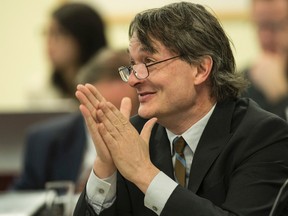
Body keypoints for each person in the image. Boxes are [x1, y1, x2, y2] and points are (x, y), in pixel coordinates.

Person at [73, 2, 288, 216]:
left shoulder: (263, 136)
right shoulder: (133, 134)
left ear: (200, 68)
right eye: (132, 65)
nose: (132, 80)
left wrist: (144, 173)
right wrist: (104, 166)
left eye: (148, 62)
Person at [11, 48, 138, 191]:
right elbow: (19, 200)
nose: (112, 121)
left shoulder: (153, 142)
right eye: (101, 112)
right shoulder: (44, 141)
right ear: (81, 102)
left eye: (122, 112)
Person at [37, 2, 107, 102]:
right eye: (46, 33)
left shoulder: (110, 86)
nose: (49, 42)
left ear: (83, 37)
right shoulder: (40, 90)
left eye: (58, 33)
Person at [243, 0, 288, 119]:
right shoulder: (241, 84)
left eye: (276, 26)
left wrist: (281, 97)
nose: (266, 38)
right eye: (261, 26)